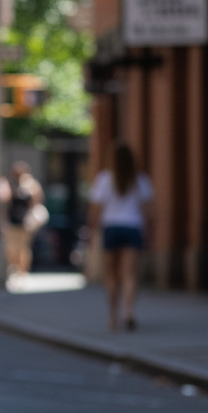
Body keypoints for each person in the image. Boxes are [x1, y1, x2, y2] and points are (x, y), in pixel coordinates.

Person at [89, 141, 154, 331]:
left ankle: (113, 317)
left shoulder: (103, 179)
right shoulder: (140, 179)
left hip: (111, 228)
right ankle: (129, 311)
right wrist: (148, 232)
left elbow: (96, 210)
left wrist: (92, 232)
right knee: (129, 274)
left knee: (111, 275)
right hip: (133, 227)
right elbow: (148, 211)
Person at [0, 161, 44, 280]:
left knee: (23, 248)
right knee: (11, 248)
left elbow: (37, 200)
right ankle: (14, 270)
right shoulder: (10, 184)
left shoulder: (31, 184)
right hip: (12, 221)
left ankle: (22, 273)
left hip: (25, 222)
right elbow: (4, 201)